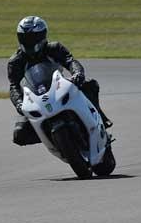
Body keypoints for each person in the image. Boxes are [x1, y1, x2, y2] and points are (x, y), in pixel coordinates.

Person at [8, 16, 113, 146]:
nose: (29, 41)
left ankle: (101, 119)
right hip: (35, 100)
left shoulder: (54, 48)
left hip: (59, 87)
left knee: (90, 85)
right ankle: (50, 137)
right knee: (19, 134)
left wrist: (77, 73)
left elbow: (70, 61)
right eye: (25, 38)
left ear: (42, 36)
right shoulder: (16, 62)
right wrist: (18, 103)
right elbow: (14, 86)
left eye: (33, 37)